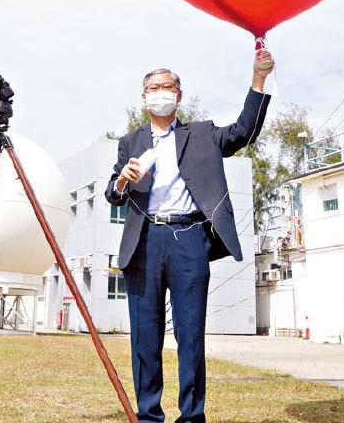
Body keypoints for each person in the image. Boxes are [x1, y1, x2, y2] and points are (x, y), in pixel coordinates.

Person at [106, 49, 273, 423]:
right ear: (143, 97)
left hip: (189, 239)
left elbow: (243, 131)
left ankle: (192, 415)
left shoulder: (201, 134)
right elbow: (113, 195)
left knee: (190, 334)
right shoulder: (130, 142)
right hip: (145, 240)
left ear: (179, 95)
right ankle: (148, 414)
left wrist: (258, 80)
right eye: (153, 87)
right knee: (145, 337)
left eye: (167, 86)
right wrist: (120, 181)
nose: (160, 92)